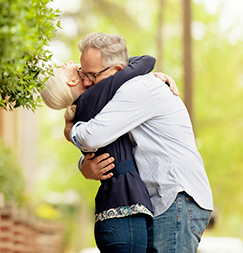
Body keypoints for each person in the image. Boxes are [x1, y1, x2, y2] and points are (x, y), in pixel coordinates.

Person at [67, 32, 213, 252]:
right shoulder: (127, 86)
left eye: (91, 75)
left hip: (177, 199)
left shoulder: (136, 90)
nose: (87, 82)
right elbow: (112, 144)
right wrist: (85, 165)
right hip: (165, 202)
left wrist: (70, 128)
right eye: (82, 73)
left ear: (116, 70)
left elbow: (91, 137)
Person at [41, 55, 174, 252]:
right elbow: (146, 61)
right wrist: (142, 78)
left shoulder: (88, 108)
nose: (67, 62)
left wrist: (141, 81)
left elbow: (125, 79)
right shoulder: (93, 98)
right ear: (72, 81)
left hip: (115, 216)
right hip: (123, 214)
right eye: (62, 67)